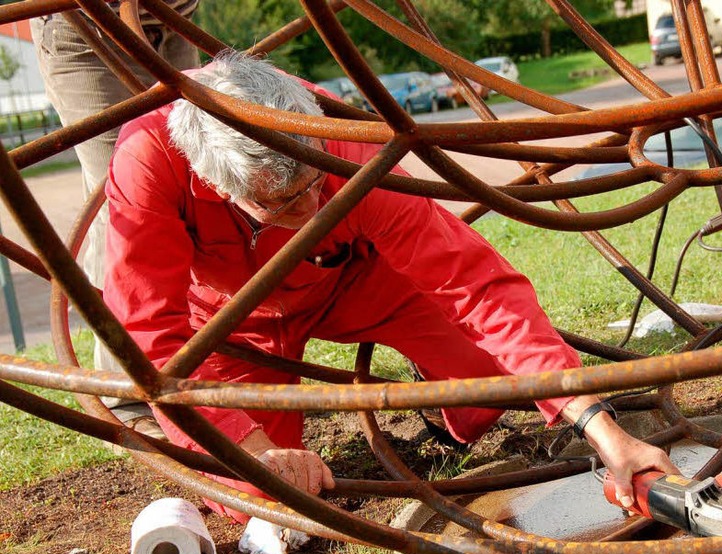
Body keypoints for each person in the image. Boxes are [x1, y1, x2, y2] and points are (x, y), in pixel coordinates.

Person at [104, 52, 678, 528]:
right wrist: (257, 453)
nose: (312, 210)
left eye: (316, 184)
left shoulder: (339, 137)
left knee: (492, 381)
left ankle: (439, 393)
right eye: (283, 203)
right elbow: (150, 335)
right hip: (231, 321)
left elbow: (474, 283)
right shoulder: (147, 159)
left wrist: (604, 432)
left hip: (351, 279)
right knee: (259, 494)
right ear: (216, 185)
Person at [31, 1, 200, 439]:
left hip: (172, 19)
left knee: (194, 186)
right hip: (86, 31)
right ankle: (127, 393)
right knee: (122, 203)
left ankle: (194, 361)